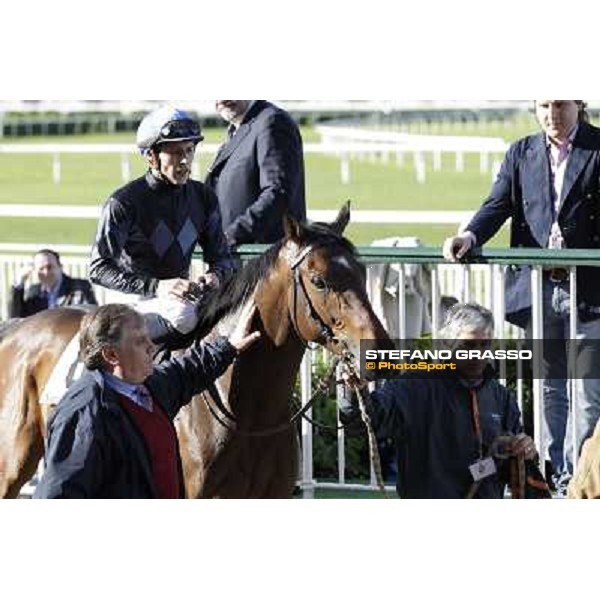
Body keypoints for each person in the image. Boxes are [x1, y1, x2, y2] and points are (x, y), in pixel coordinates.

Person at [442, 101, 600, 494]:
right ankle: (552, 480)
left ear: (579, 104)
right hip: (539, 289)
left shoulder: (598, 146)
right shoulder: (521, 152)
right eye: (544, 105)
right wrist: (471, 236)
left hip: (591, 291)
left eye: (561, 104)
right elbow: (498, 204)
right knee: (550, 388)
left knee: (586, 392)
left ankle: (580, 485)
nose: (553, 114)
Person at [33, 301, 260, 498]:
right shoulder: (84, 412)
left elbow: (189, 371)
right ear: (111, 355)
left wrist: (229, 345)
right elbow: (59, 494)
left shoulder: (147, 385)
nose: (152, 347)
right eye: (140, 341)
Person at [339, 303, 547, 499]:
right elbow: (361, 423)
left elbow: (511, 462)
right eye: (468, 345)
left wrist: (524, 449)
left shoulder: (501, 396)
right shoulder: (413, 386)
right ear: (447, 344)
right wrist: (353, 392)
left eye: (485, 344)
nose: (478, 353)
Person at [89, 105, 235, 346]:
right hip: (130, 300)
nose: (185, 160)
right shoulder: (124, 202)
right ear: (151, 156)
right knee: (185, 316)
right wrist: (157, 286)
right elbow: (99, 269)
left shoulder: (203, 197)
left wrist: (215, 276)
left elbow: (222, 258)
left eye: (189, 150)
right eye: (176, 153)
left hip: (177, 301)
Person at [205, 100, 306, 248]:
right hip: (234, 258)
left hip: (263, 258)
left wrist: (232, 235)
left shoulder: (272, 121)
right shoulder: (238, 128)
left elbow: (278, 192)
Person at [9, 248, 97, 318]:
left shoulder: (79, 288)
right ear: (35, 271)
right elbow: (15, 320)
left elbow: (90, 317)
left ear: (60, 267)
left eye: (49, 267)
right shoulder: (34, 292)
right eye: (41, 269)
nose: (46, 272)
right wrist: (18, 286)